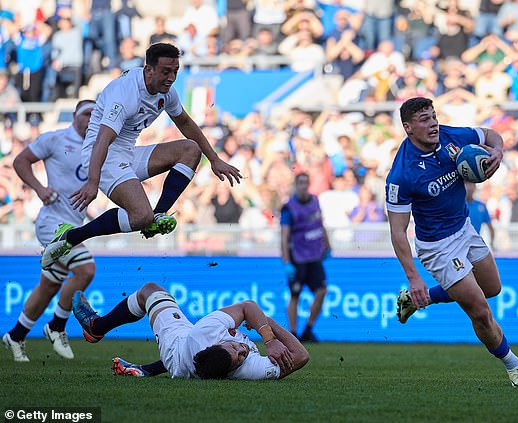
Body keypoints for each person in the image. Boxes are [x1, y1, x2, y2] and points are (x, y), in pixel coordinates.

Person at [40, 43, 242, 269]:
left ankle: (158, 215)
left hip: (127, 153)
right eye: (166, 71)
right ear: (149, 70)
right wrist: (92, 182)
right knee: (139, 217)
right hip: (102, 156)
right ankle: (70, 237)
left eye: (175, 71)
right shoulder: (126, 93)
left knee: (190, 149)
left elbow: (184, 122)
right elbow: (102, 140)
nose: (171, 77)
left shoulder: (167, 92)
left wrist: (214, 159)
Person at [386, 97, 518, 387]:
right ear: (408, 128)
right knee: (479, 309)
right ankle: (514, 367)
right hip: (438, 247)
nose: (433, 124)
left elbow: (490, 135)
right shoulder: (402, 174)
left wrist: (497, 151)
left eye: (433, 116)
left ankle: (420, 299)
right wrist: (413, 276)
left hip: (465, 229)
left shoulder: (451, 136)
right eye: (424, 119)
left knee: (492, 288)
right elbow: (397, 232)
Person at [2, 100, 97, 362]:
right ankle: (56, 327)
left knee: (48, 286)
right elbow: (21, 161)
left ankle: (16, 334)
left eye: (96, 114)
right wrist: (40, 189)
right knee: (86, 269)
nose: (92, 118)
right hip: (51, 224)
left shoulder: (97, 147)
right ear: (75, 116)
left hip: (74, 225)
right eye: (87, 113)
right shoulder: (55, 139)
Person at [71, 282, 309, 380]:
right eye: (239, 352)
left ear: (216, 343)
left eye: (236, 351)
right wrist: (270, 328)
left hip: (175, 347)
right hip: (189, 357)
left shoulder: (204, 333)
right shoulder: (246, 367)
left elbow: (248, 307)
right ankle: (145, 370)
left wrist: (269, 339)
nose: (243, 351)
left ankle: (96, 327)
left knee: (149, 291)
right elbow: (302, 356)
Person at [281, 172, 331, 342]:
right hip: (297, 258)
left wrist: (327, 243)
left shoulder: (315, 201)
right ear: (296, 185)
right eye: (300, 182)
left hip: (314, 257)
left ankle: (308, 329)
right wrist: (287, 262)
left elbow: (320, 223)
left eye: (306, 182)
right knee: (295, 295)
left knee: (322, 291)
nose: (303, 186)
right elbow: (284, 236)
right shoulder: (289, 208)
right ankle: (293, 334)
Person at [465, 181, 495, 248]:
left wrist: (492, 243)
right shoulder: (459, 205)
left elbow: (490, 226)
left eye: (471, 185)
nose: (469, 188)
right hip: (460, 244)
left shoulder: (481, 206)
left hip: (475, 244)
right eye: (467, 185)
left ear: (475, 187)